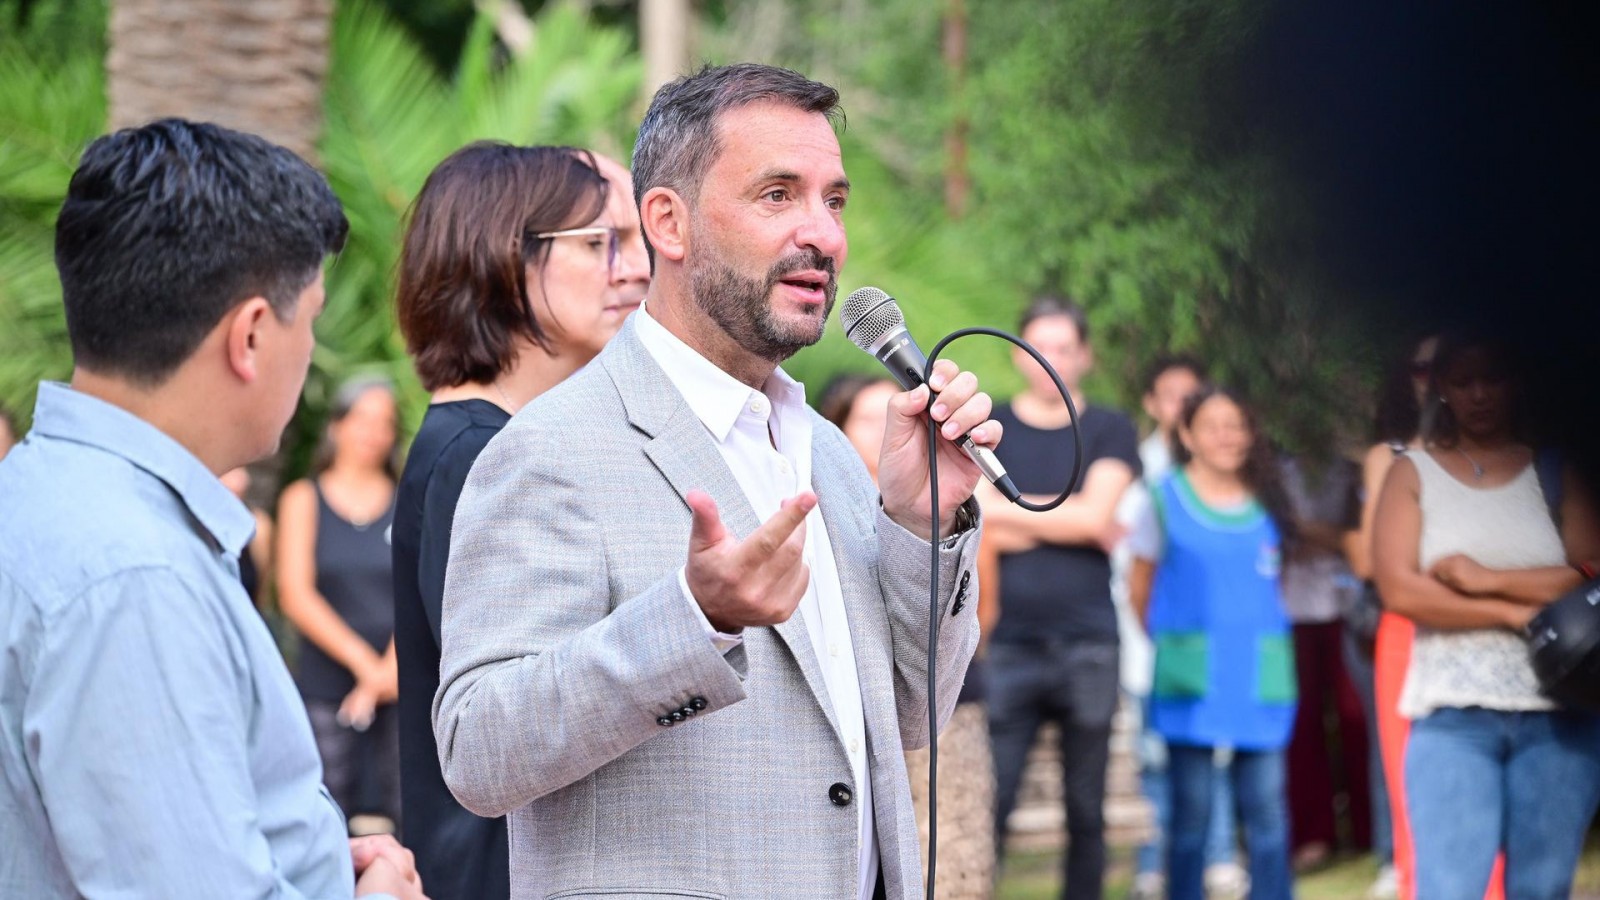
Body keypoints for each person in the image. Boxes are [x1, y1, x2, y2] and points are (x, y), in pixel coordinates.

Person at [432, 63, 995, 899]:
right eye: (778, 195)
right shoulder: (551, 449)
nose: (823, 235)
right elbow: (478, 751)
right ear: (669, 222)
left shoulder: (832, 455)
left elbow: (911, 717)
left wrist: (920, 523)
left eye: (835, 201)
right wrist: (695, 619)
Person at [0, 119, 422, 898]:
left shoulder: (44, 493)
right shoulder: (133, 578)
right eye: (311, 318)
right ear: (251, 335)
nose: (310, 350)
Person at [390, 143, 650, 900]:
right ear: (504, 253)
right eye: (600, 243)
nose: (635, 268)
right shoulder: (479, 455)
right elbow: (513, 717)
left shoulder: (492, 442)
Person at [1372, 332, 1600, 900]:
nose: (1479, 394)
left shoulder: (1555, 469)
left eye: (1492, 378)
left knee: (1541, 888)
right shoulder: (1411, 472)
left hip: (1559, 716)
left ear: (1516, 383)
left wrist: (1485, 578)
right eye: (1463, 381)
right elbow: (1399, 589)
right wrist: (1512, 612)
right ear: (1442, 389)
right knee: (1449, 889)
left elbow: (1587, 572)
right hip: (1453, 716)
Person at [978, 296, 1140, 900]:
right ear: (1019, 354)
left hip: (1088, 642)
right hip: (1008, 642)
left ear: (1085, 355)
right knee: (992, 802)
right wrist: (1072, 518)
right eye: (1038, 347)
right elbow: (974, 520)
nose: (1050, 360)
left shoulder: (1109, 427)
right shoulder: (989, 426)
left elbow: (1097, 515)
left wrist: (1007, 512)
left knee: (1087, 809)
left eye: (1063, 348)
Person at [821, 373, 999, 900]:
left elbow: (983, 599)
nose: (888, 432)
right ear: (836, 430)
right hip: (855, 726)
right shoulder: (818, 509)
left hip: (948, 707)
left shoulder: (945, 501)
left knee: (954, 861)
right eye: (870, 420)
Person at [1127, 386, 1298, 900]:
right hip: (1192, 679)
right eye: (1213, 426)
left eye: (1237, 425)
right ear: (1187, 434)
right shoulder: (1162, 498)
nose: (1228, 437)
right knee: (1191, 816)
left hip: (1259, 674)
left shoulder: (1271, 499)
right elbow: (1140, 588)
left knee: (1267, 814)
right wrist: (1175, 644)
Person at [1118, 356, 1248, 900]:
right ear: (1151, 403)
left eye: (1190, 396)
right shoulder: (1137, 469)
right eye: (1170, 394)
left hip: (1218, 647)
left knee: (1216, 757)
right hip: (1155, 649)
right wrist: (1165, 639)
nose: (1180, 406)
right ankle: (1154, 866)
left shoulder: (1232, 477)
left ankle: (1220, 858)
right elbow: (1135, 574)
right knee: (1156, 763)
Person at [278, 377, 404, 831]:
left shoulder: (409, 499)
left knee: (408, 822)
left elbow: (422, 588)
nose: (373, 432)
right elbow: (295, 594)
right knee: (323, 820)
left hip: (401, 684)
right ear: (337, 425)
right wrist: (365, 668)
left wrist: (388, 671)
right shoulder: (302, 498)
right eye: (361, 419)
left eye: (384, 423)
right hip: (326, 689)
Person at [1344, 334, 1438, 900]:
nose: (1435, 378)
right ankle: (1402, 868)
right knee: (1402, 765)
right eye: (1423, 367)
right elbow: (1373, 561)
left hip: (1494, 634)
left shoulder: (1521, 453)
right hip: (1405, 624)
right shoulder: (1389, 456)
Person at [1278, 448, 1369, 869]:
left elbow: (1361, 543)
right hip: (1291, 610)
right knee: (1303, 727)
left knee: (1355, 720)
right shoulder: (1272, 475)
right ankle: (1313, 834)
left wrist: (1308, 530)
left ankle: (1366, 829)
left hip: (1347, 607)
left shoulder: (1351, 471)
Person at [220, 465, 276, 610]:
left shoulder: (257, 527)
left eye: (242, 469)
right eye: (229, 470)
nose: (240, 481)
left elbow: (261, 595)